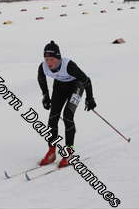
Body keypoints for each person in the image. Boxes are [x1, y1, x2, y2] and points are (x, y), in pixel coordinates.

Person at [37, 40, 97, 168]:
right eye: (46, 59)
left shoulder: (69, 66)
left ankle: (69, 152)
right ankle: (52, 151)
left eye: (51, 59)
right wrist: (45, 96)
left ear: (58, 58)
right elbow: (41, 79)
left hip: (76, 86)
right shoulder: (43, 67)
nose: (49, 63)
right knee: (53, 117)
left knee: (67, 115)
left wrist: (90, 98)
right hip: (60, 87)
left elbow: (86, 80)